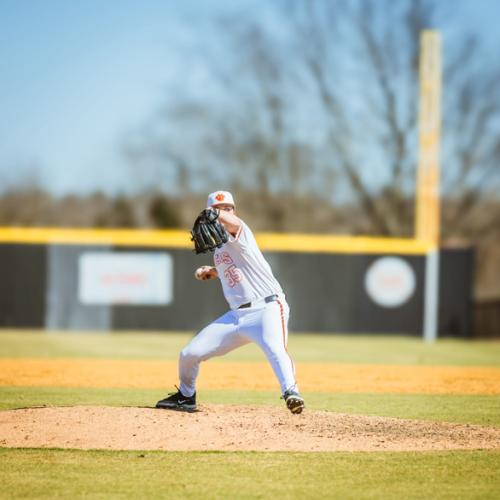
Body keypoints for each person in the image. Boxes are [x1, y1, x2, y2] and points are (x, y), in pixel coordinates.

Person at [156, 190, 305, 414]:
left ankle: (291, 392)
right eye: (219, 208)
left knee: (275, 348)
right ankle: (186, 397)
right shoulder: (219, 246)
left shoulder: (241, 232)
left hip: (267, 308)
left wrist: (212, 213)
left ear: (233, 211)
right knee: (189, 354)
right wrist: (214, 271)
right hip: (236, 317)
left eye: (228, 208)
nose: (224, 212)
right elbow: (236, 268)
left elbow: (233, 223)